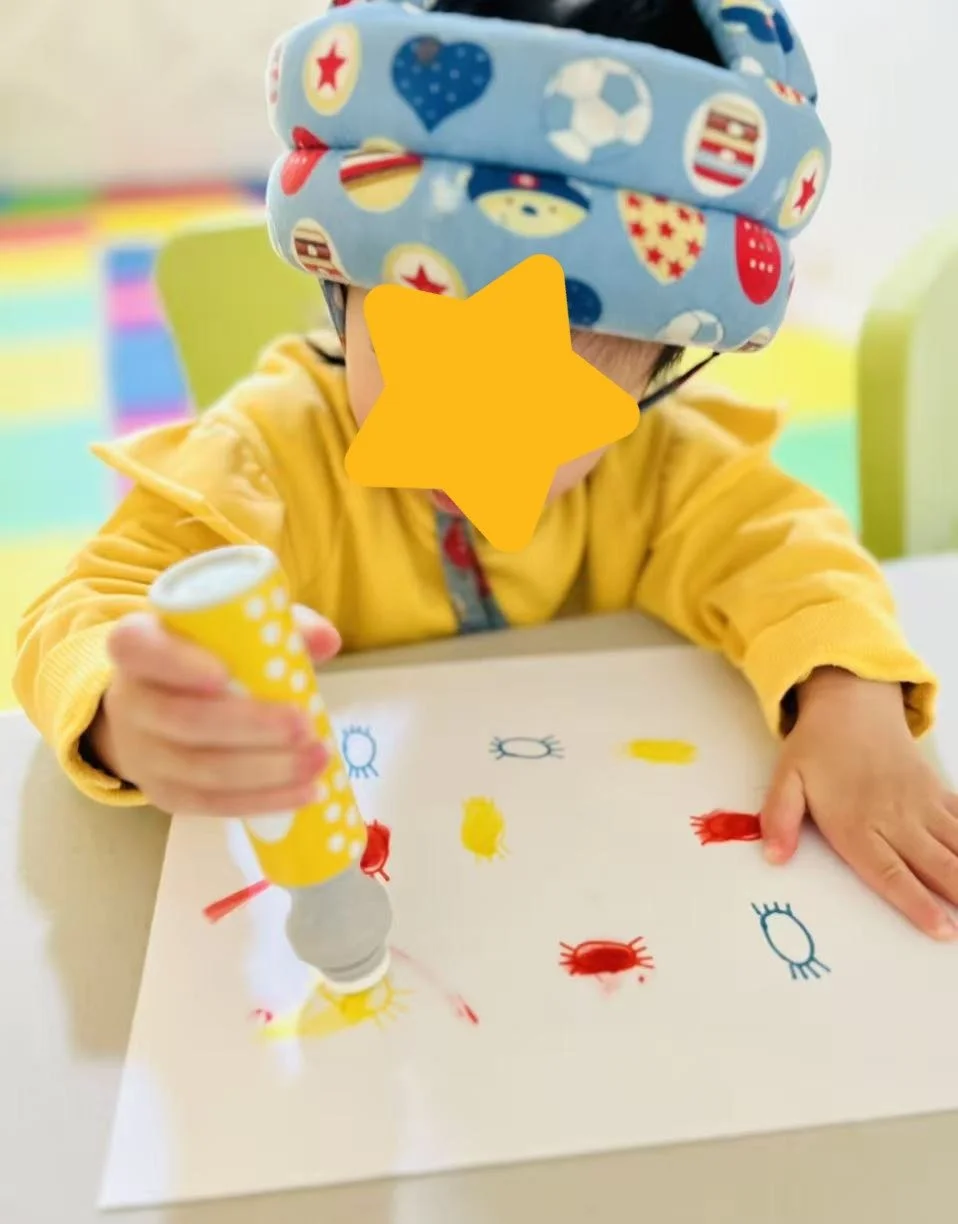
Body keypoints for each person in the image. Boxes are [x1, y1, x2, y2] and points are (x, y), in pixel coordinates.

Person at [14, 0, 958, 941]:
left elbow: (794, 556)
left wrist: (847, 697)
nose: (474, 452)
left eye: (544, 420)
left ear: (658, 378)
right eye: (427, 374)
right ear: (343, 295)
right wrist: (127, 712)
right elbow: (83, 605)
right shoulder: (266, 459)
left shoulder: (666, 469)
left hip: (569, 878)